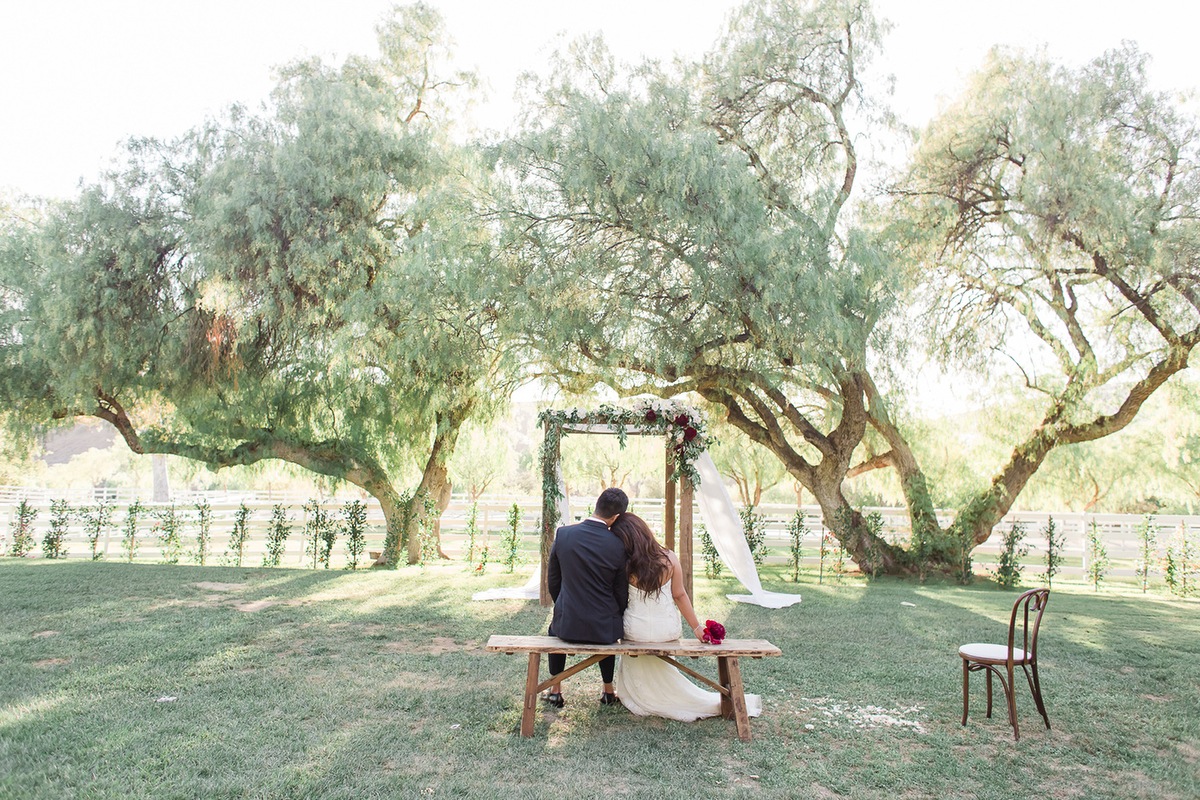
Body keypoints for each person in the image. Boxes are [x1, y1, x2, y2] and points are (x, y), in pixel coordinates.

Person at [609, 512, 762, 721]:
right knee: (659, 639)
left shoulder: (625, 564)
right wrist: (697, 628)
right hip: (666, 630)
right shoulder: (669, 558)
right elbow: (680, 595)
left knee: (636, 636)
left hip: (635, 630)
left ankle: (642, 694)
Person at [543, 487, 630, 707]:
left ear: (596, 505)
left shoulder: (564, 535)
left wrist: (564, 604)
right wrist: (614, 613)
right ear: (616, 517)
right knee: (607, 631)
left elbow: (553, 580)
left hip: (567, 625)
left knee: (553, 632)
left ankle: (556, 690)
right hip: (604, 629)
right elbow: (621, 591)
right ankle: (608, 690)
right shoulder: (618, 545)